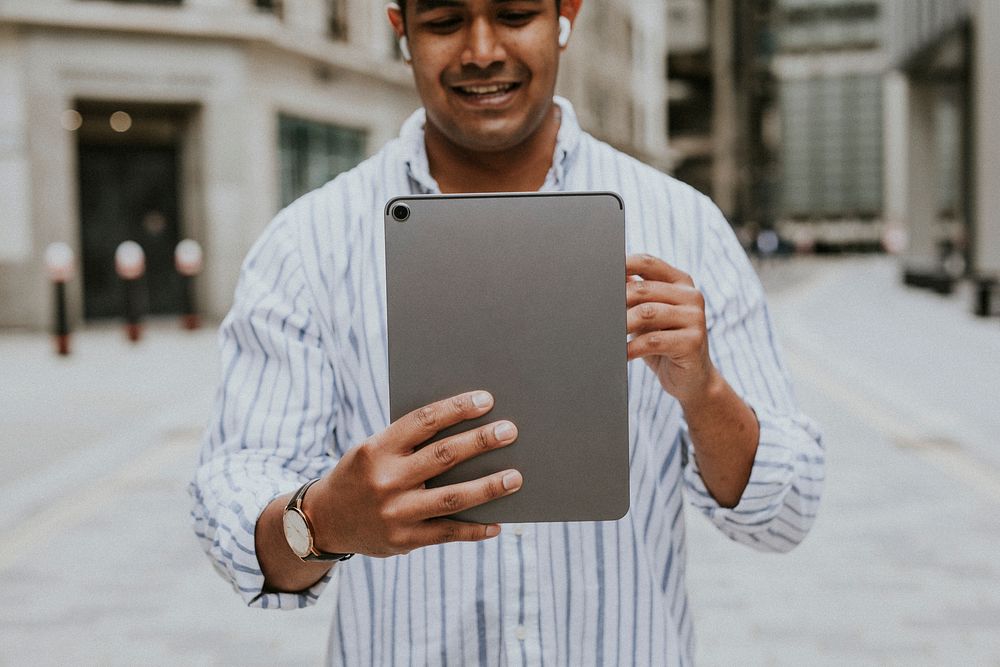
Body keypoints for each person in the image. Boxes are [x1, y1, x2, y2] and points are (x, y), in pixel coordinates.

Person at [189, 0, 825, 664]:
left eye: (515, 13)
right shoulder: (307, 246)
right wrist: (320, 520)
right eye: (444, 22)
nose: (482, 50)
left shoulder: (685, 225)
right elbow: (235, 508)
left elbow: (785, 513)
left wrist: (706, 392)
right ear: (399, 28)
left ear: (565, 13)